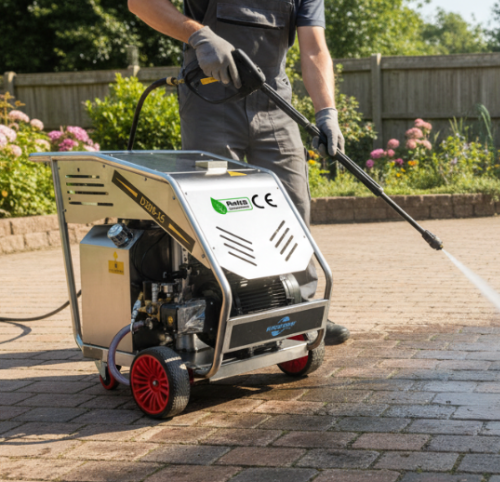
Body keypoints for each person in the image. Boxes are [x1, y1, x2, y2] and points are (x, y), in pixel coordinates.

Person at [128, 0, 350, 344]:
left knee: (291, 203)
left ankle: (296, 309)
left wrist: (327, 112)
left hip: (273, 100)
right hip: (210, 100)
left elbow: (314, 49)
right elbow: (140, 3)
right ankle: (220, 316)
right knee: (215, 208)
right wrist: (199, 35)